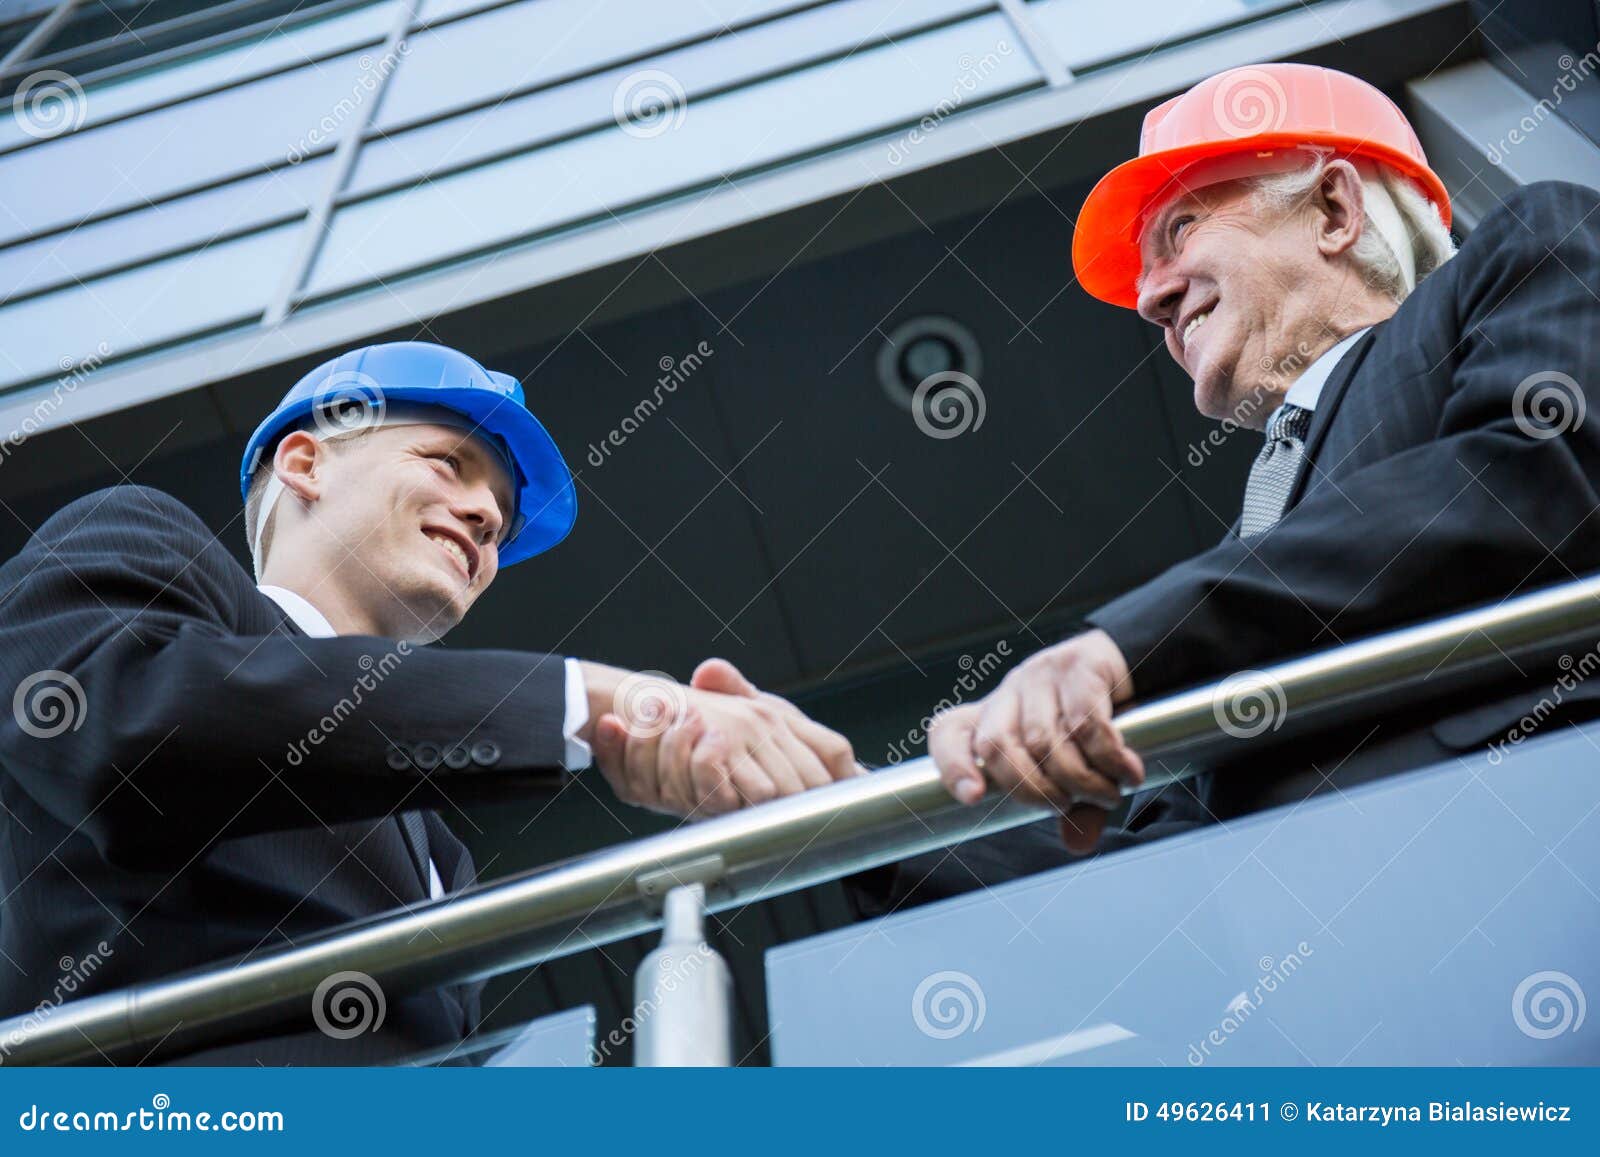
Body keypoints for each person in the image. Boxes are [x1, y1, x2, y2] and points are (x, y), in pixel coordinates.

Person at [0, 340, 857, 1064]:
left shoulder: (438, 848)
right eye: (450, 462)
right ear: (305, 461)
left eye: (502, 518)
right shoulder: (136, 534)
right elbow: (126, 730)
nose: (487, 515)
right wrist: (585, 703)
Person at [871, 62, 1600, 906]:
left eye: (1180, 229)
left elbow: (1531, 479)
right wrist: (815, 804)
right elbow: (1148, 872)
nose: (1149, 297)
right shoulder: (1252, 561)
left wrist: (1134, 645)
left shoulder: (1535, 239)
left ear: (1334, 210)